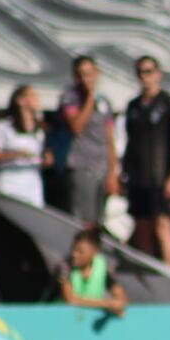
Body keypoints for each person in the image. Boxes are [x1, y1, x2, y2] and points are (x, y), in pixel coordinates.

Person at [122, 55, 170, 266]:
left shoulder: (168, 103)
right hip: (139, 177)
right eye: (141, 72)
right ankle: (150, 280)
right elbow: (129, 141)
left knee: (163, 226)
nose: (145, 77)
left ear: (158, 74)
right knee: (142, 228)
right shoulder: (133, 106)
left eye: (149, 71)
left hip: (161, 175)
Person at [57, 55, 118, 224]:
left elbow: (110, 138)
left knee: (99, 220)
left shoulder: (104, 101)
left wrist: (113, 171)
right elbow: (76, 127)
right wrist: (90, 97)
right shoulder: (71, 98)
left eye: (89, 74)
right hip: (82, 165)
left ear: (97, 73)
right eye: (82, 74)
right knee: (84, 220)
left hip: (102, 166)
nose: (86, 79)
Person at [0, 85, 50, 207]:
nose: (36, 100)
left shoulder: (40, 128)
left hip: (32, 182)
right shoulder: (4, 126)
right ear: (20, 100)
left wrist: (47, 159)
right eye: (32, 96)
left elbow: (43, 155)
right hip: (10, 180)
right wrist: (17, 154)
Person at [59, 227, 128, 317]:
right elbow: (71, 300)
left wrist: (118, 305)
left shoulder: (103, 267)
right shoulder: (65, 266)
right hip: (64, 318)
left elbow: (121, 297)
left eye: (80, 251)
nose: (74, 254)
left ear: (94, 252)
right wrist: (107, 304)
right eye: (73, 249)